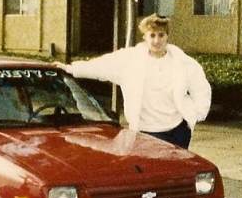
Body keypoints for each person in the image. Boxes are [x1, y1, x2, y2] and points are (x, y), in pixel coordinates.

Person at [54, 13, 211, 149]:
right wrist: (70, 69)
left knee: (175, 175)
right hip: (145, 132)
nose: (157, 40)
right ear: (144, 37)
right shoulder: (129, 60)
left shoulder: (183, 62)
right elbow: (99, 66)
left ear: (167, 36)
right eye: (152, 35)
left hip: (178, 132)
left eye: (161, 35)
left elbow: (201, 88)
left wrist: (197, 114)